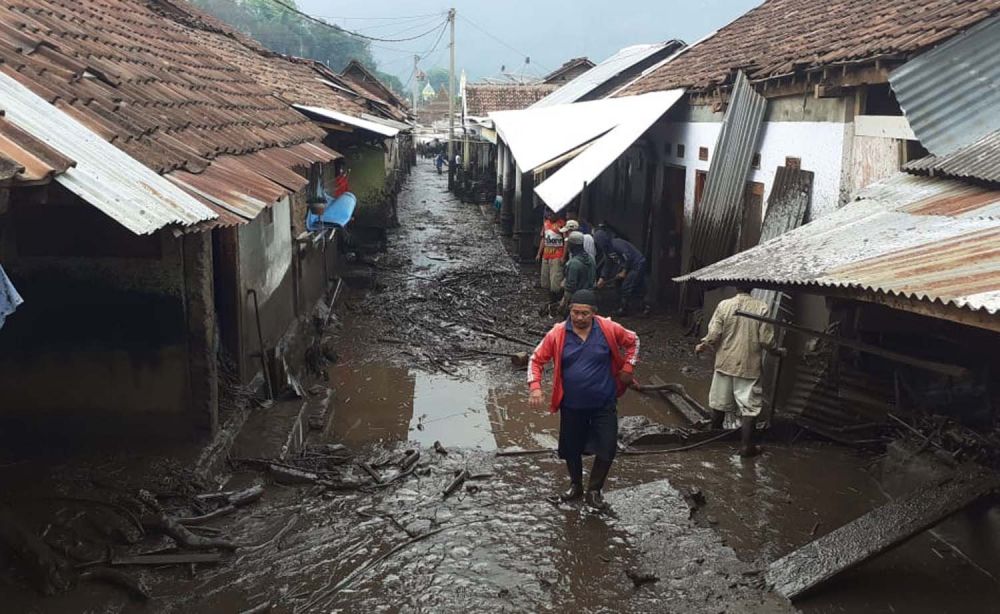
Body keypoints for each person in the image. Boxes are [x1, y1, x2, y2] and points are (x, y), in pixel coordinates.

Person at [528, 289, 639, 510]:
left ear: (594, 313)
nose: (579, 317)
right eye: (575, 312)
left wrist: (628, 367)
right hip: (571, 404)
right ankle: (576, 486)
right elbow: (535, 359)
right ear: (570, 310)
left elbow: (634, 340)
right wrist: (535, 388)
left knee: (608, 446)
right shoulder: (558, 333)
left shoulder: (608, 328)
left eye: (585, 313)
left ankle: (594, 490)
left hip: (604, 402)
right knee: (572, 447)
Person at [695, 286, 780, 457]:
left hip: (725, 362)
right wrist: (777, 351)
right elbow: (766, 340)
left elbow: (714, 334)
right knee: (749, 407)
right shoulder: (762, 307)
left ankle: (714, 439)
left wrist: (703, 345)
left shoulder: (724, 305)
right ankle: (746, 446)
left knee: (719, 402)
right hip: (748, 365)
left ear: (736, 287)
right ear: (752, 288)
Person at [593, 229, 649, 316]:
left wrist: (624, 271)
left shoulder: (616, 244)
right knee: (618, 284)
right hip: (628, 266)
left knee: (627, 286)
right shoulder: (607, 250)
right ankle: (630, 306)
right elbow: (608, 264)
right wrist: (602, 278)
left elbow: (628, 257)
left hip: (637, 264)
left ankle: (629, 309)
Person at [536, 209, 566, 307]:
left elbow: (566, 240)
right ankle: (550, 299)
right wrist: (539, 253)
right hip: (546, 255)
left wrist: (563, 256)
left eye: (551, 214)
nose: (549, 216)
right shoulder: (546, 223)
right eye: (548, 214)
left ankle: (556, 300)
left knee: (555, 281)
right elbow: (543, 239)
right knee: (546, 280)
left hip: (557, 255)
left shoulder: (561, 224)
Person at [560, 231, 596, 312]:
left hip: (577, 300)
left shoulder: (573, 263)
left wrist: (563, 303)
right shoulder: (591, 259)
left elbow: (570, 287)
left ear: (571, 245)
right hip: (590, 296)